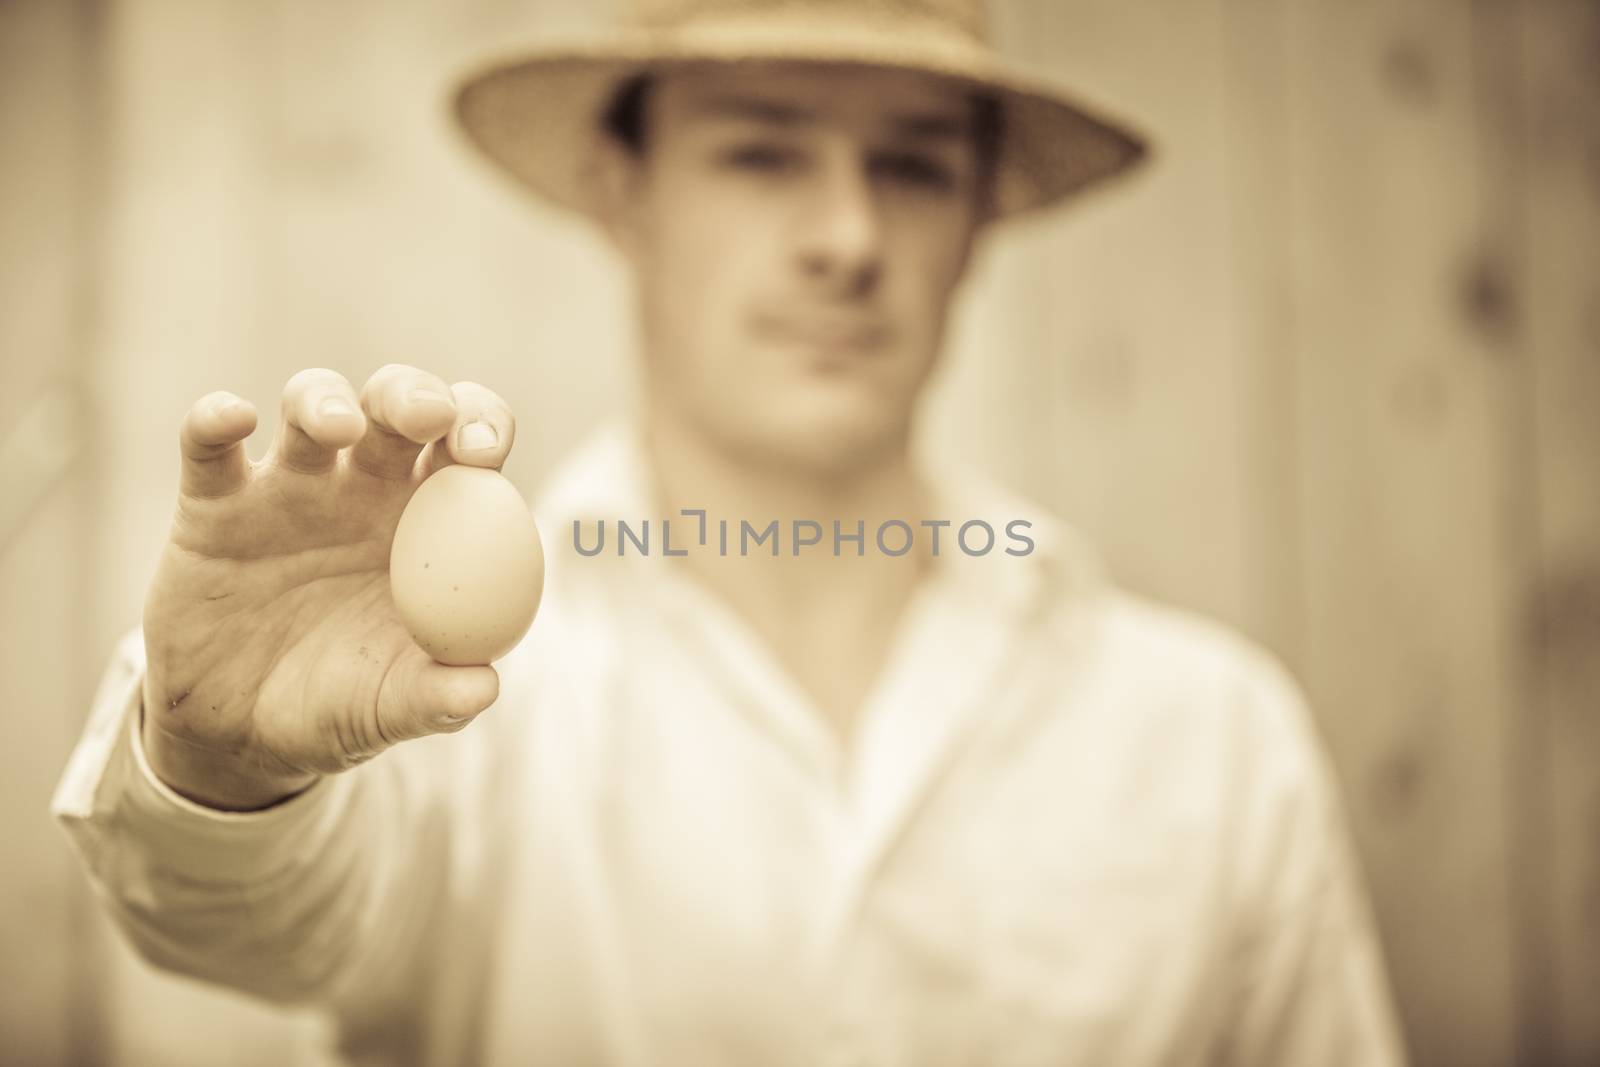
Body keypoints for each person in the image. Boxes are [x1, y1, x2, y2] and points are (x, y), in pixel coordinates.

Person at [52, 1, 1409, 1064]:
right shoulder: (438, 697)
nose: (846, 234)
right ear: (620, 190)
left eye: (915, 169)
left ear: (978, 224)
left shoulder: (1210, 739)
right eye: (762, 151)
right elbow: (247, 919)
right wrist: (220, 768)